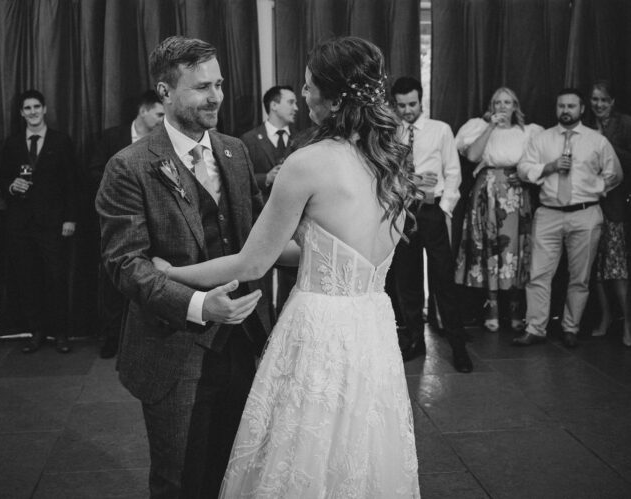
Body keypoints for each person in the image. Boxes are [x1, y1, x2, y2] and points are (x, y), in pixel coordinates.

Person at [152, 36, 420, 497]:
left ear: (333, 98)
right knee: (361, 446)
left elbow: (252, 262)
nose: (304, 94)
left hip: (318, 328)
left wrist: (171, 274)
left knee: (301, 451)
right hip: (371, 324)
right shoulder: (390, 160)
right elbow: (326, 254)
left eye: (310, 86)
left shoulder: (307, 162)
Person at [95, 36, 271, 498]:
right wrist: (197, 304)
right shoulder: (129, 166)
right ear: (166, 92)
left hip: (243, 340)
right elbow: (125, 264)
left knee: (235, 470)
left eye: (219, 84)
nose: (215, 97)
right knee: (180, 478)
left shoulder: (234, 151)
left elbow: (257, 234)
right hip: (173, 347)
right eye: (200, 87)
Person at [515, 88, 622, 348]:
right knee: (538, 274)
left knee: (580, 277)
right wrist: (549, 167)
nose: (565, 111)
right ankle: (535, 328)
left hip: (585, 214)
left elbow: (614, 174)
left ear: (581, 109)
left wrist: (592, 188)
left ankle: (570, 327)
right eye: (561, 106)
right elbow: (523, 168)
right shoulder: (542, 139)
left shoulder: (597, 141)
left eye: (571, 106)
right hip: (549, 212)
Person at [388, 76, 473, 373]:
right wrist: (409, 182)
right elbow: (386, 173)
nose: (407, 110)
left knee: (443, 279)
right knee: (407, 279)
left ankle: (457, 345)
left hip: (433, 211)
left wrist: (444, 208)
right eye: (401, 105)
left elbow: (453, 172)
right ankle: (414, 340)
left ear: (421, 100)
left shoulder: (440, 130)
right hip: (403, 211)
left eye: (412, 104)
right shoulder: (390, 131)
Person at [454, 88, 544, 332]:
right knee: (490, 246)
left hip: (515, 196)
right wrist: (490, 127)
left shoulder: (528, 132)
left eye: (507, 102)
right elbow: (472, 156)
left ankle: (515, 308)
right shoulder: (480, 128)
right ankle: (491, 307)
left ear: (515, 106)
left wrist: (524, 178)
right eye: (497, 103)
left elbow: (538, 164)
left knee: (514, 248)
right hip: (488, 193)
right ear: (491, 106)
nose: (502, 107)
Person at [0, 90, 78, 354]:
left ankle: (61, 334)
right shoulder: (11, 143)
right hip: (20, 225)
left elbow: (72, 183)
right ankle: (36, 332)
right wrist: (11, 186)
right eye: (27, 108)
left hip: (54, 224)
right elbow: (0, 179)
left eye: (36, 107)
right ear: (21, 113)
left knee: (55, 279)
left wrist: (70, 218)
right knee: (27, 280)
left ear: (44, 109)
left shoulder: (61, 141)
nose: (32, 112)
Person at [89, 89, 164, 359]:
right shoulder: (112, 138)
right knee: (113, 280)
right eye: (159, 114)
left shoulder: (163, 139)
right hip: (117, 219)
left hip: (155, 222)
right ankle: (111, 338)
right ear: (143, 111)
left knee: (148, 278)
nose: (162, 119)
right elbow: (94, 172)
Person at [241, 85, 299, 318]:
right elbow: (240, 181)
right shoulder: (248, 140)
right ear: (273, 105)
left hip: (293, 224)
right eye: (291, 102)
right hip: (260, 223)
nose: (296, 107)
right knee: (260, 283)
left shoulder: (302, 139)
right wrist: (267, 178)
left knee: (292, 282)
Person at [585, 80, 631, 347]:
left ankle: (627, 323)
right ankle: (605, 317)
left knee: (617, 269)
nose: (599, 104)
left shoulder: (625, 124)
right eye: (595, 99)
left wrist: (607, 147)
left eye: (604, 100)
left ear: (612, 102)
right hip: (590, 204)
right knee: (596, 269)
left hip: (617, 205)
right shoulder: (586, 127)